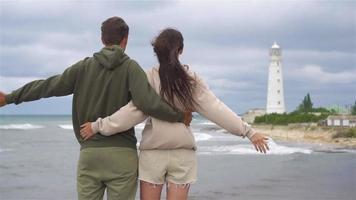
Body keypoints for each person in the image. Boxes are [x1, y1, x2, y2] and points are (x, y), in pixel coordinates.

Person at [0, 17, 192, 200]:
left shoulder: (82, 68)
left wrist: (10, 97)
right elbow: (148, 102)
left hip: (90, 154)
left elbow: (48, 86)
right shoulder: (131, 68)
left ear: (102, 39)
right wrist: (179, 116)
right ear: (126, 39)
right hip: (122, 156)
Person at [80, 28, 269, 200]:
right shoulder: (191, 80)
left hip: (153, 155)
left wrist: (97, 126)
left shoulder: (149, 78)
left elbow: (132, 113)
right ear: (181, 50)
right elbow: (216, 109)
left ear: (157, 52)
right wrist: (249, 132)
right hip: (182, 155)